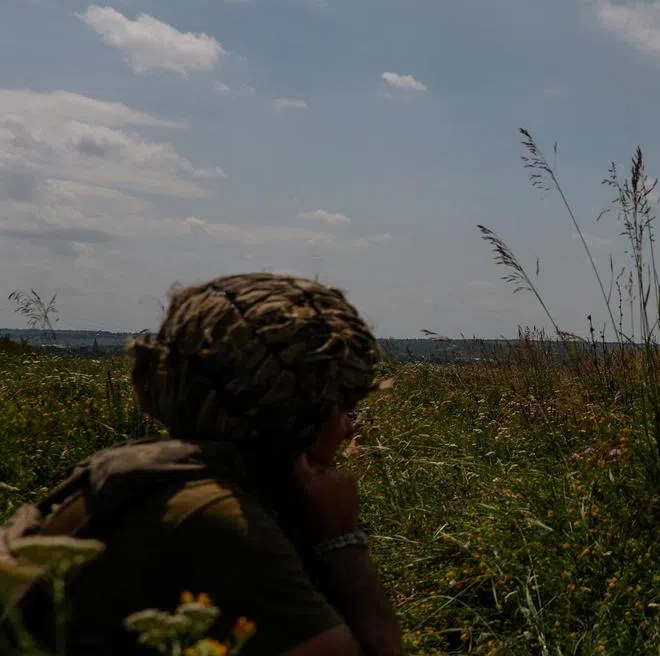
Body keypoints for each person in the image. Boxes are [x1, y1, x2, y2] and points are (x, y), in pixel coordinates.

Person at [55, 273, 405, 655]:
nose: (345, 428)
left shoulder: (142, 474)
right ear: (294, 419)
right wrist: (342, 539)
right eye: (343, 408)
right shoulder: (221, 521)